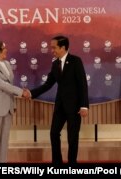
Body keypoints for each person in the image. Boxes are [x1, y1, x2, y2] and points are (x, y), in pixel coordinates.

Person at [26, 35, 89, 164]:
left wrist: (84, 106)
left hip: (75, 107)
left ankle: (72, 164)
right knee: (54, 133)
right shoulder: (55, 64)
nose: (52, 50)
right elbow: (48, 84)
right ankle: (57, 164)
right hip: (60, 106)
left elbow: (83, 84)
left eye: (54, 47)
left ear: (63, 47)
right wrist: (31, 93)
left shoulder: (76, 61)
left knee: (72, 138)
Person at [0, 41, 28, 163]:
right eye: (3, 48)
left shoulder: (7, 64)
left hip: (7, 106)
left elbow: (9, 84)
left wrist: (13, 104)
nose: (6, 50)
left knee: (4, 139)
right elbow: (0, 84)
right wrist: (21, 92)